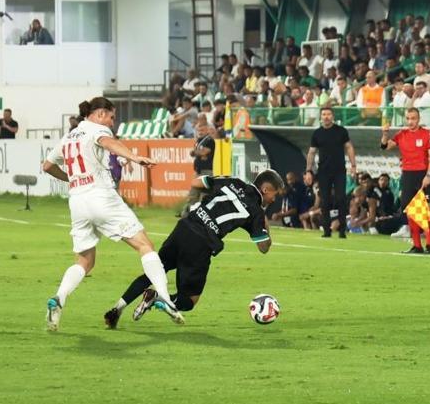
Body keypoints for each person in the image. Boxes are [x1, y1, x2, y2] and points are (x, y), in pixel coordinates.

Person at [42, 97, 181, 331]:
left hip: (77, 201)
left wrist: (71, 179)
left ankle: (59, 298)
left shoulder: (69, 136)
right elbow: (108, 142)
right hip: (100, 196)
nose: (112, 122)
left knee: (85, 261)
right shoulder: (98, 129)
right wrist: (134, 157)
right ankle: (166, 298)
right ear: (98, 114)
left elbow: (47, 166)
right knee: (145, 245)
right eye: (111, 116)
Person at [104, 171, 282, 328]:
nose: (274, 199)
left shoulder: (233, 181)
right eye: (275, 194)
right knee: (189, 301)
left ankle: (117, 309)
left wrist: (193, 205)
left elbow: (196, 183)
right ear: (266, 189)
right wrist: (266, 224)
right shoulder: (257, 212)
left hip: (185, 227)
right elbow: (263, 247)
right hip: (201, 243)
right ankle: (156, 297)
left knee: (155, 270)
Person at [381, 108, 430, 254]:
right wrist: (385, 134)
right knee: (411, 211)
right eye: (408, 118)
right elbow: (385, 147)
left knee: (426, 210)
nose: (411, 121)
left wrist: (429, 175)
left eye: (413, 118)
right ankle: (417, 246)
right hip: (407, 176)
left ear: (418, 119)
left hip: (422, 175)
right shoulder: (402, 134)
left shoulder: (427, 135)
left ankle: (429, 243)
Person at [306, 107, 356, 238]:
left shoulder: (341, 131)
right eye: (324, 114)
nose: (326, 117)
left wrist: (353, 165)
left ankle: (342, 230)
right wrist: (308, 170)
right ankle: (326, 230)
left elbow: (349, 147)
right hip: (323, 171)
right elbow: (311, 152)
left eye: (328, 114)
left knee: (340, 199)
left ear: (333, 116)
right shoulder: (317, 133)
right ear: (320, 117)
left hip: (339, 170)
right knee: (325, 201)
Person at [182, 121, 215, 217]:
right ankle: (186, 216)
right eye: (199, 130)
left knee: (204, 196)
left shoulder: (209, 140)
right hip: (198, 171)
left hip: (206, 172)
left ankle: (203, 217)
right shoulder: (199, 141)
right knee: (193, 195)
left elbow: (204, 152)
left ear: (208, 130)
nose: (200, 132)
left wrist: (197, 152)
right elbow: (198, 153)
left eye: (203, 130)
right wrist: (198, 152)